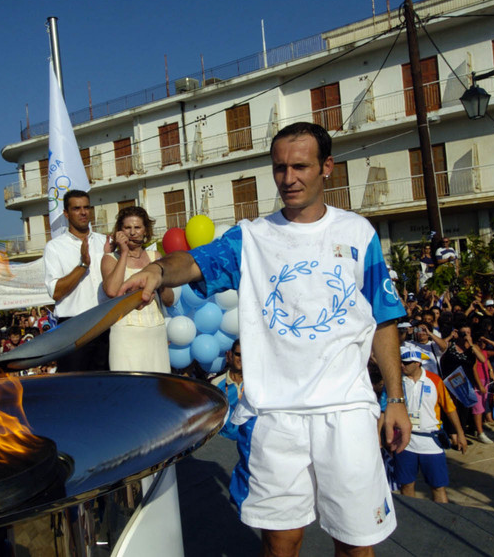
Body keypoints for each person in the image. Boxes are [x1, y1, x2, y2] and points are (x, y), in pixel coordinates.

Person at [119, 122, 410, 557]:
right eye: (279, 168)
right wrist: (159, 270)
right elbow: (195, 261)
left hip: (346, 411)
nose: (288, 179)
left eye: (300, 166)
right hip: (274, 418)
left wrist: (396, 399)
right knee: (280, 542)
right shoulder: (251, 237)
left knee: (354, 543)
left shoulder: (358, 234)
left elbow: (384, 322)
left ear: (326, 167)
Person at [100, 206, 173, 372]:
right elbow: (112, 291)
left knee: (158, 386)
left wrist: (159, 282)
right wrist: (124, 253)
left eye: (137, 227)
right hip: (125, 333)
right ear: (119, 231)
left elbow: (169, 300)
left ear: (145, 230)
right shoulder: (110, 259)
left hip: (155, 330)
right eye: (127, 228)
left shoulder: (156, 257)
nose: (132, 233)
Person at [43, 190, 109, 371]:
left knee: (108, 386)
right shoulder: (54, 247)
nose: (83, 212)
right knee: (74, 387)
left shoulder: (105, 242)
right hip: (73, 328)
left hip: (106, 324)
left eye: (86, 207)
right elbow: (55, 292)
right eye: (77, 208)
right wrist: (82, 266)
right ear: (66, 213)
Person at [395, 349, 466, 503]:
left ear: (417, 363)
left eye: (406, 363)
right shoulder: (397, 381)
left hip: (431, 442)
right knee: (406, 485)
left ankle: (442, 518)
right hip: (405, 442)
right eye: (400, 362)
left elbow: (450, 409)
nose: (402, 365)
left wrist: (460, 434)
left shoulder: (434, 380)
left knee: (438, 486)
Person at [211, 339, 244, 440]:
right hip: (223, 443)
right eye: (238, 354)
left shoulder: (255, 383)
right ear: (231, 355)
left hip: (247, 441)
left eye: (244, 355)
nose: (241, 358)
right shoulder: (216, 384)